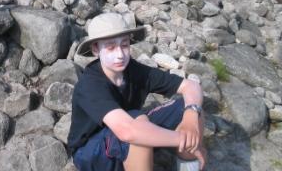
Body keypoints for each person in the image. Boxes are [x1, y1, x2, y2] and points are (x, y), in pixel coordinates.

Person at [68, 13, 206, 171]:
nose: (120, 55)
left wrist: (191, 115)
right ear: (95, 49)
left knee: (190, 108)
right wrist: (184, 139)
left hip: (129, 133)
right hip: (90, 153)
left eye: (124, 45)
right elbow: (127, 131)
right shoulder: (89, 85)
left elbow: (191, 86)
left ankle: (188, 167)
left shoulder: (133, 69)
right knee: (136, 124)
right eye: (111, 47)